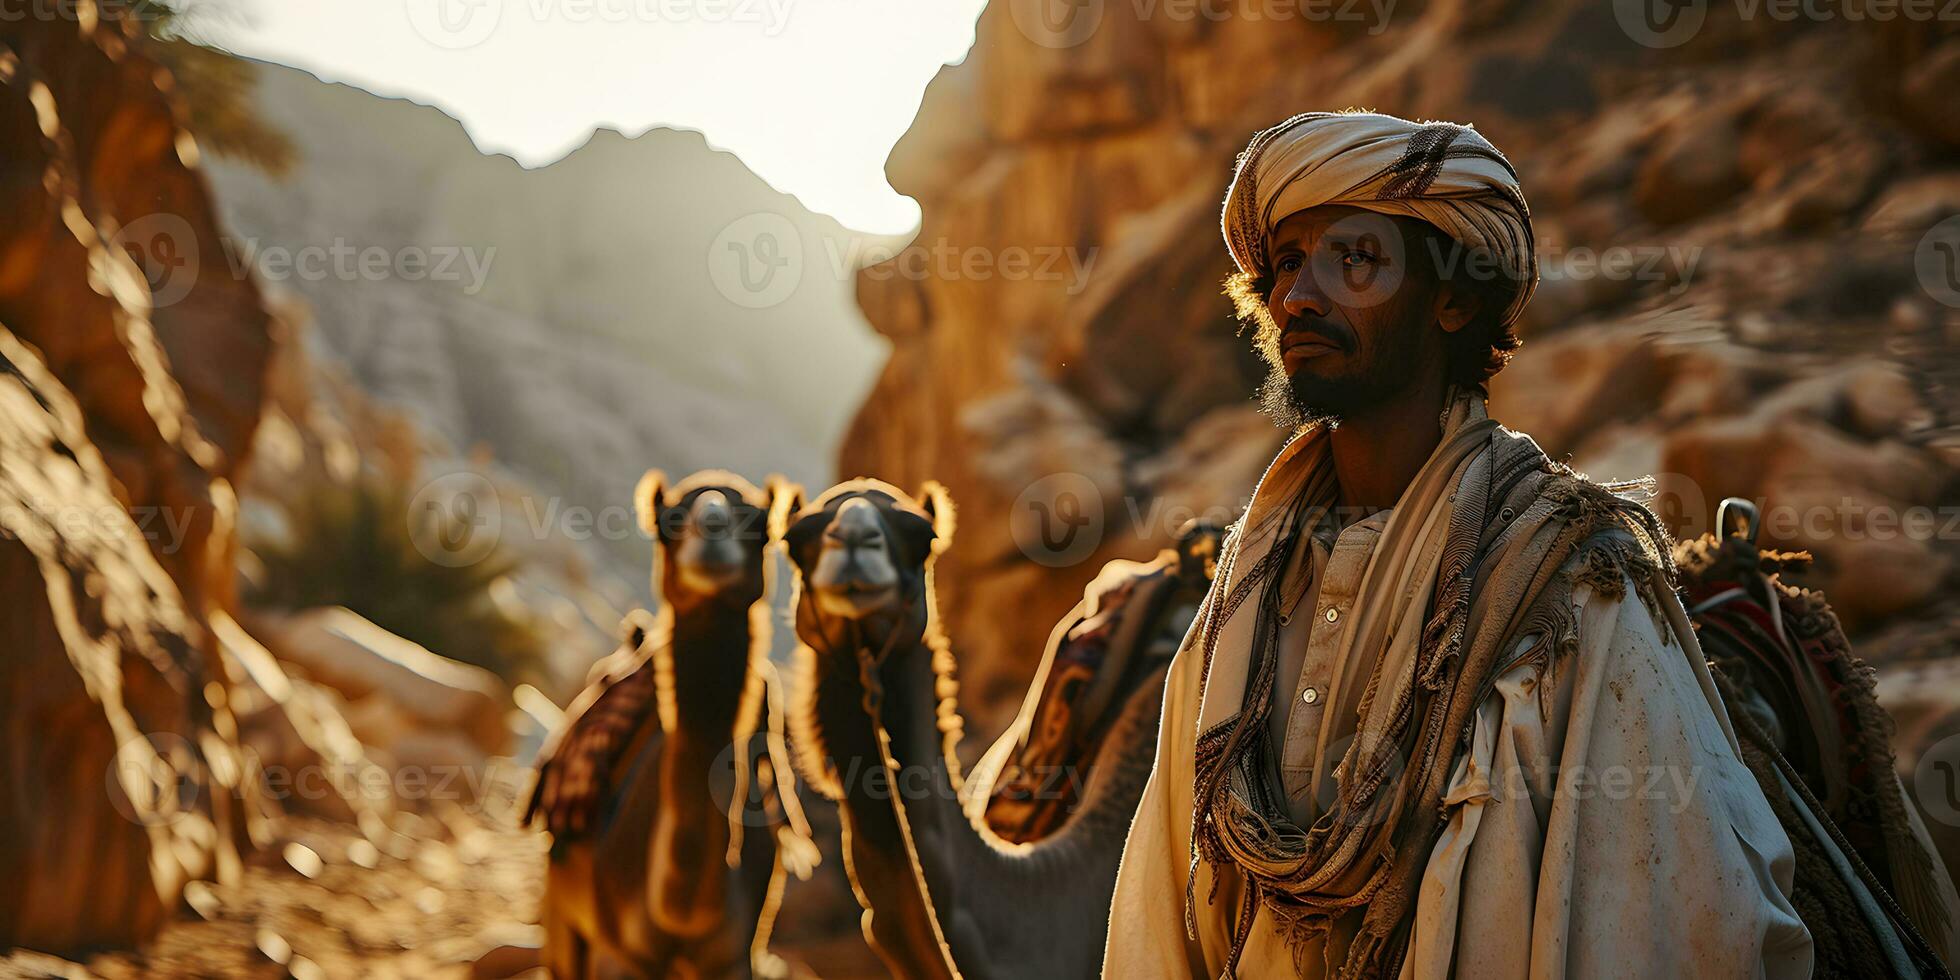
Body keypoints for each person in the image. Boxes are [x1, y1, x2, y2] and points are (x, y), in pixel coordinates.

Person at [1103, 110, 1816, 978]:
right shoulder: (1242, 608)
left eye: (1353, 260)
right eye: (1288, 264)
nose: (1299, 294)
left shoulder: (1572, 594)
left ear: (1451, 299)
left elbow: (1677, 921)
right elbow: (1158, 928)